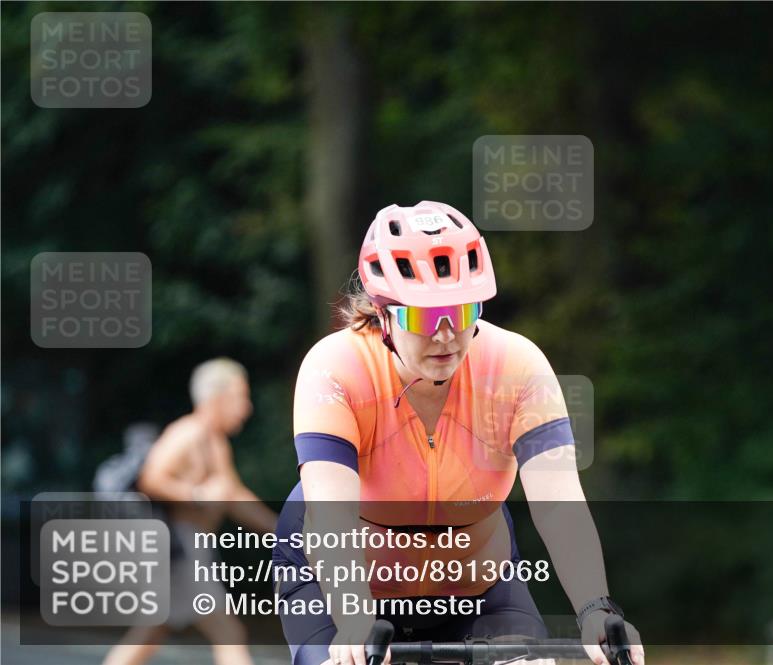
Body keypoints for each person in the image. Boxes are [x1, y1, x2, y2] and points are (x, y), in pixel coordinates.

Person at [272, 202, 644, 665]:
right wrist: (353, 617)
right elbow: (332, 516)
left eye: (464, 310)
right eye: (425, 317)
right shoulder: (335, 368)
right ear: (382, 314)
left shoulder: (518, 365)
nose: (447, 335)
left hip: (477, 583)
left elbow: (558, 504)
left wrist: (594, 608)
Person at [102, 358, 278, 665]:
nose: (246, 407)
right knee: (228, 632)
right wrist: (197, 494)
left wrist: (283, 531)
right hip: (180, 549)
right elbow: (150, 478)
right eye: (241, 397)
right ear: (217, 398)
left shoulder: (215, 442)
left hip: (188, 550)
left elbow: (234, 498)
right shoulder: (188, 433)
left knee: (150, 633)